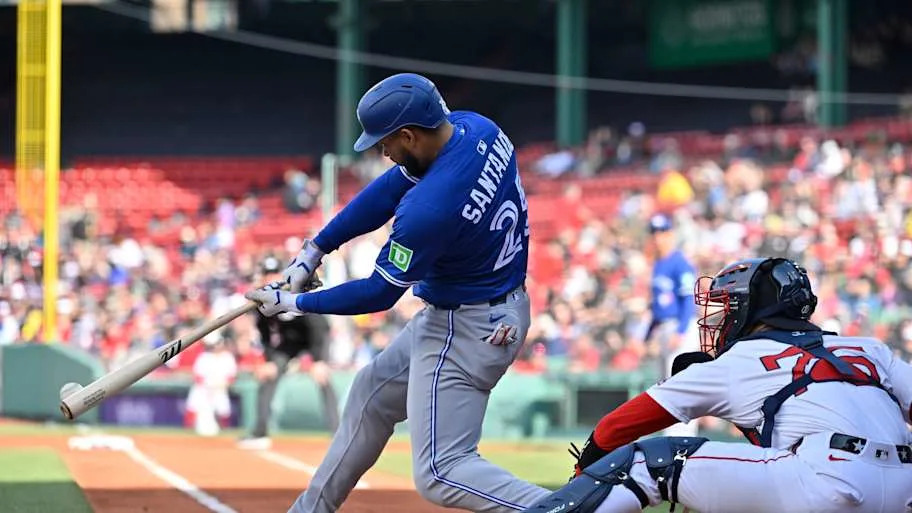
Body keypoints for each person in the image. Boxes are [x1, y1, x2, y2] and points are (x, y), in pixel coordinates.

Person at [245, 72, 551, 512]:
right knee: (370, 394)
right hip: (484, 308)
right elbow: (389, 188)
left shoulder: (430, 208)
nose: (383, 152)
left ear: (408, 135)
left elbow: (379, 293)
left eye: (386, 142)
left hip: (467, 326)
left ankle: (568, 509)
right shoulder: (477, 127)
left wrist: (294, 303)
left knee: (442, 471)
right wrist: (316, 250)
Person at [523, 257, 912, 513]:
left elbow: (614, 429)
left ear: (750, 308)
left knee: (646, 463)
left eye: (727, 305)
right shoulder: (869, 347)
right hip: (903, 489)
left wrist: (586, 477)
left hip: (825, 481)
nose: (720, 318)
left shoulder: (740, 359)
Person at [238, 256, 338, 450]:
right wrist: (269, 360)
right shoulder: (263, 299)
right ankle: (260, 433)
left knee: (324, 379)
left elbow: (318, 326)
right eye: (267, 274)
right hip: (288, 344)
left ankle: (338, 433)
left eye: (274, 273)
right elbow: (265, 333)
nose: (271, 278)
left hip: (314, 339)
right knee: (268, 377)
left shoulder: (295, 290)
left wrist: (319, 360)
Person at [185, 334, 237, 437]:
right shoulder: (204, 357)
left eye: (218, 344)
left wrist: (223, 385)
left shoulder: (228, 357)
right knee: (193, 405)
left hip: (220, 388)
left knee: (224, 410)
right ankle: (189, 432)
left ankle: (224, 431)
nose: (216, 346)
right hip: (203, 389)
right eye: (214, 344)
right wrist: (207, 386)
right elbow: (197, 376)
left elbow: (231, 376)